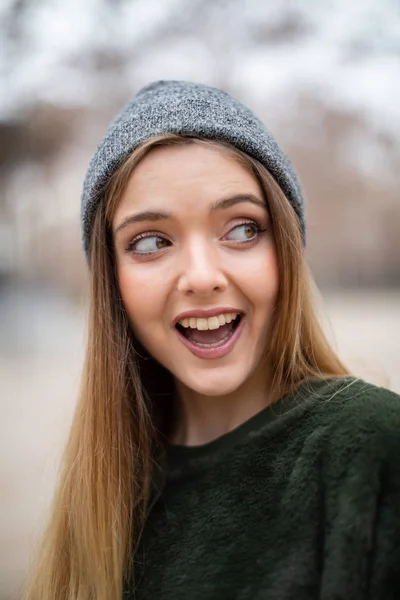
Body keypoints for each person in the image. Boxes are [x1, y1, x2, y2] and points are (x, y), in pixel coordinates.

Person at [24, 80, 400, 600]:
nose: (202, 277)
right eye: (151, 242)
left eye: (243, 229)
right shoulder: (107, 496)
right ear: (112, 283)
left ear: (286, 250)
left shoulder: (371, 445)